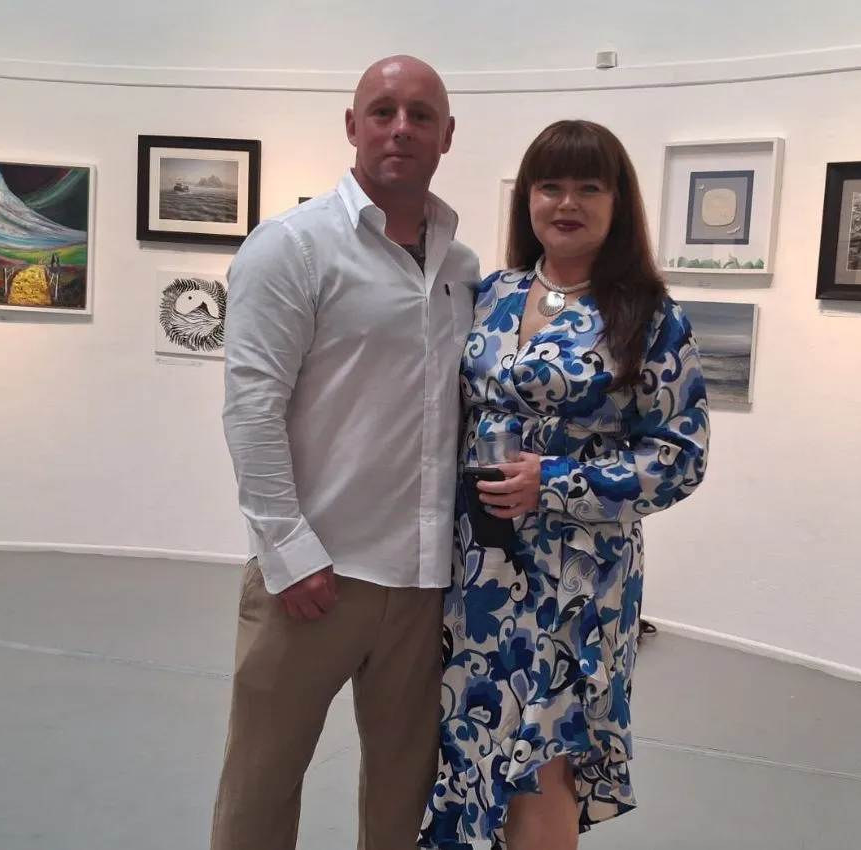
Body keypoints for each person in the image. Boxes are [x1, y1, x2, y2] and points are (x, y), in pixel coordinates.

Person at [212, 54, 482, 850]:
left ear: (447, 135)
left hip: (425, 580)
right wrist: (289, 552)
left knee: (404, 799)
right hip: (316, 579)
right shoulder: (291, 249)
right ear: (352, 125)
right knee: (261, 789)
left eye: (422, 114)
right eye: (383, 110)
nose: (402, 127)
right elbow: (250, 409)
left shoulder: (462, 269)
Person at [420, 119, 712, 849]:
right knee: (471, 735)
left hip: (577, 579)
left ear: (619, 203)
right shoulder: (489, 294)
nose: (566, 202)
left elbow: (679, 456)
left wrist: (553, 482)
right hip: (477, 568)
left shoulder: (647, 315)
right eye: (550, 185)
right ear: (529, 199)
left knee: (544, 753)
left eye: (589, 186)